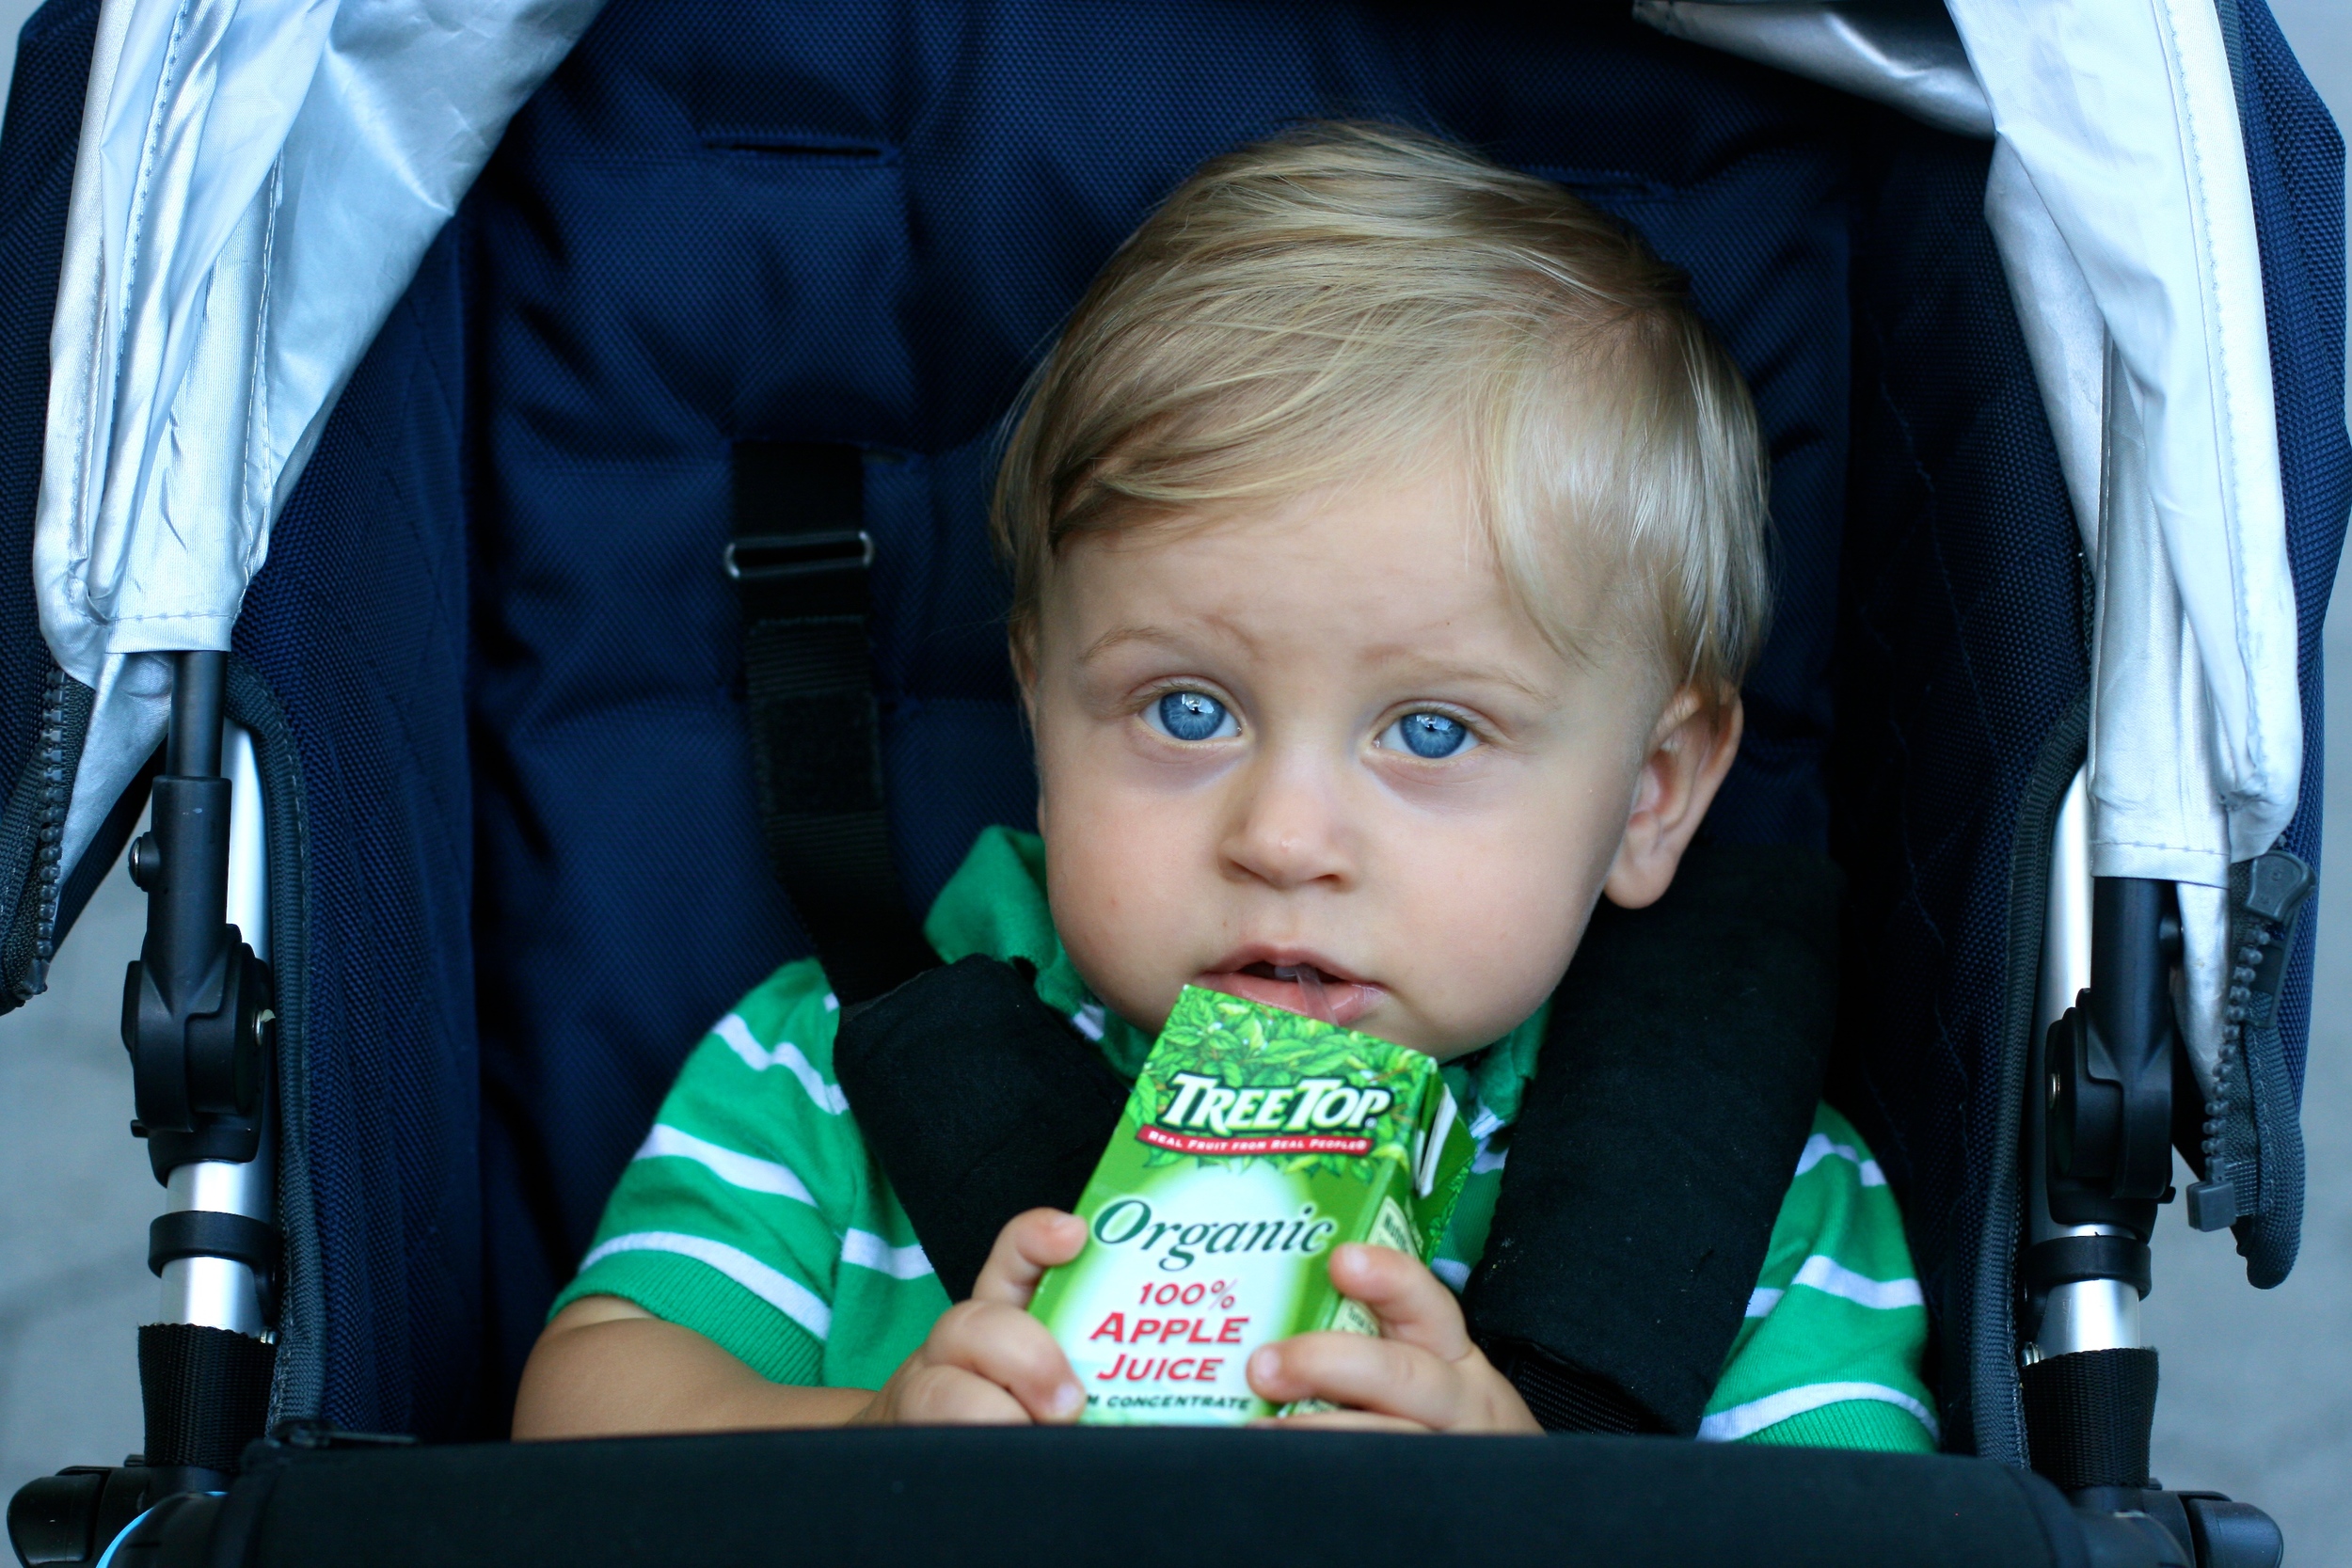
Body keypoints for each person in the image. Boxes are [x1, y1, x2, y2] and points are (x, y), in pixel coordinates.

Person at [511, 122, 1934, 1446]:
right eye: (1186, 711)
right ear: (1041, 715)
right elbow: (581, 1413)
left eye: (1433, 733)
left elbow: (1870, 1536)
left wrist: (1527, 1501)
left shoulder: (1746, 1196)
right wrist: (874, 1445)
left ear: (1650, 794)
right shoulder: (833, 1072)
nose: (1285, 838)